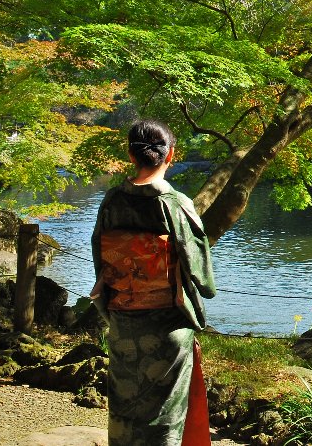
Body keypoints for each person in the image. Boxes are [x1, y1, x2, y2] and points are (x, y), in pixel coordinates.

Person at [91, 119, 217, 446]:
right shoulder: (175, 205)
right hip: (166, 328)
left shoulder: (111, 202)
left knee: (125, 412)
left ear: (131, 155)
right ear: (170, 155)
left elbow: (101, 263)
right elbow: (203, 278)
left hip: (123, 322)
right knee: (165, 420)